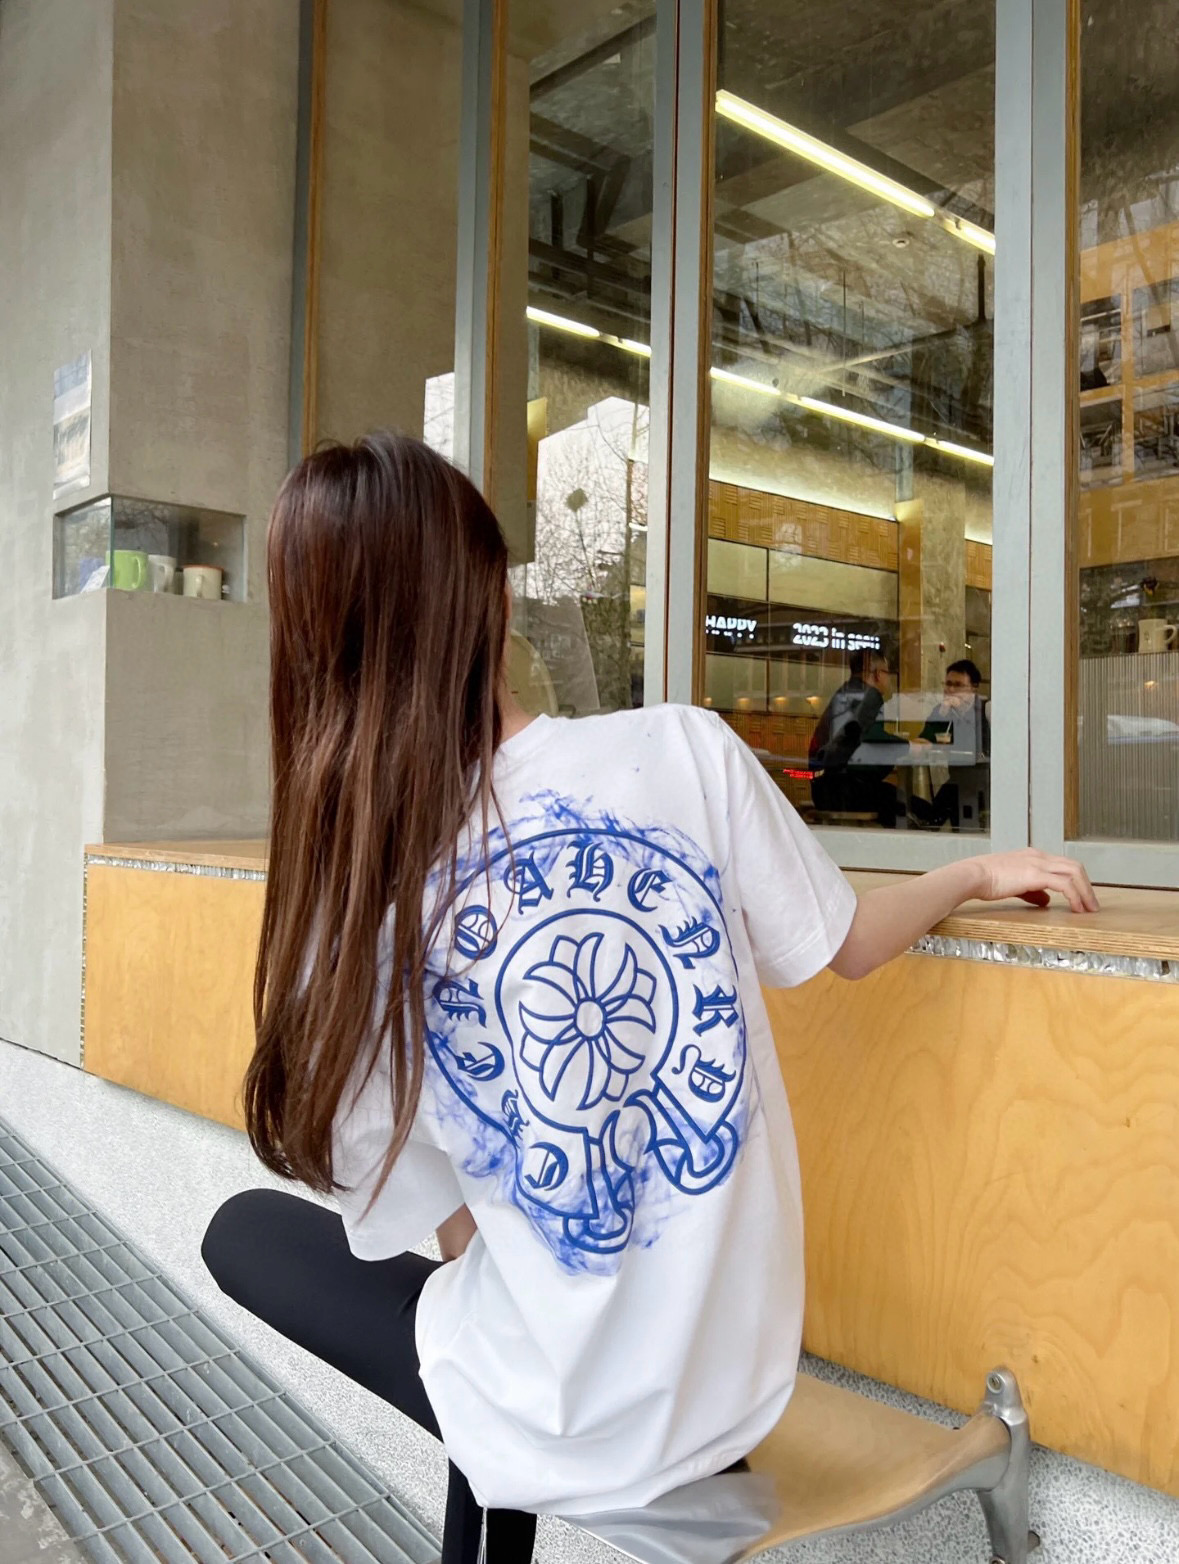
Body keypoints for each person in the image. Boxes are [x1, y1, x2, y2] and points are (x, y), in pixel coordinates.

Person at [199, 433, 1097, 1564]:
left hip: (563, 1406)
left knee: (247, 1232)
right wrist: (971, 872)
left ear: (315, 647)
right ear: (495, 597)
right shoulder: (683, 749)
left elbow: (415, 1193)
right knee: (490, 1327)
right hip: (726, 1397)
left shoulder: (359, 886)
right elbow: (850, 943)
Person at [808, 649, 906, 826]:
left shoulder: (845, 694)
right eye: (887, 673)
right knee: (911, 808)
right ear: (878, 674)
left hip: (824, 790)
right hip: (847, 793)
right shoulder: (869, 697)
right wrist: (909, 747)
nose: (889, 679)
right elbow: (872, 740)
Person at [910, 659, 991, 830]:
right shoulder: (943, 710)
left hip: (984, 781)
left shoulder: (986, 709)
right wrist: (942, 714)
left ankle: (932, 822)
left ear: (974, 688)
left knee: (946, 805)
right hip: (957, 779)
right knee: (947, 802)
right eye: (948, 684)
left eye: (958, 685)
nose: (951, 690)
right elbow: (925, 738)